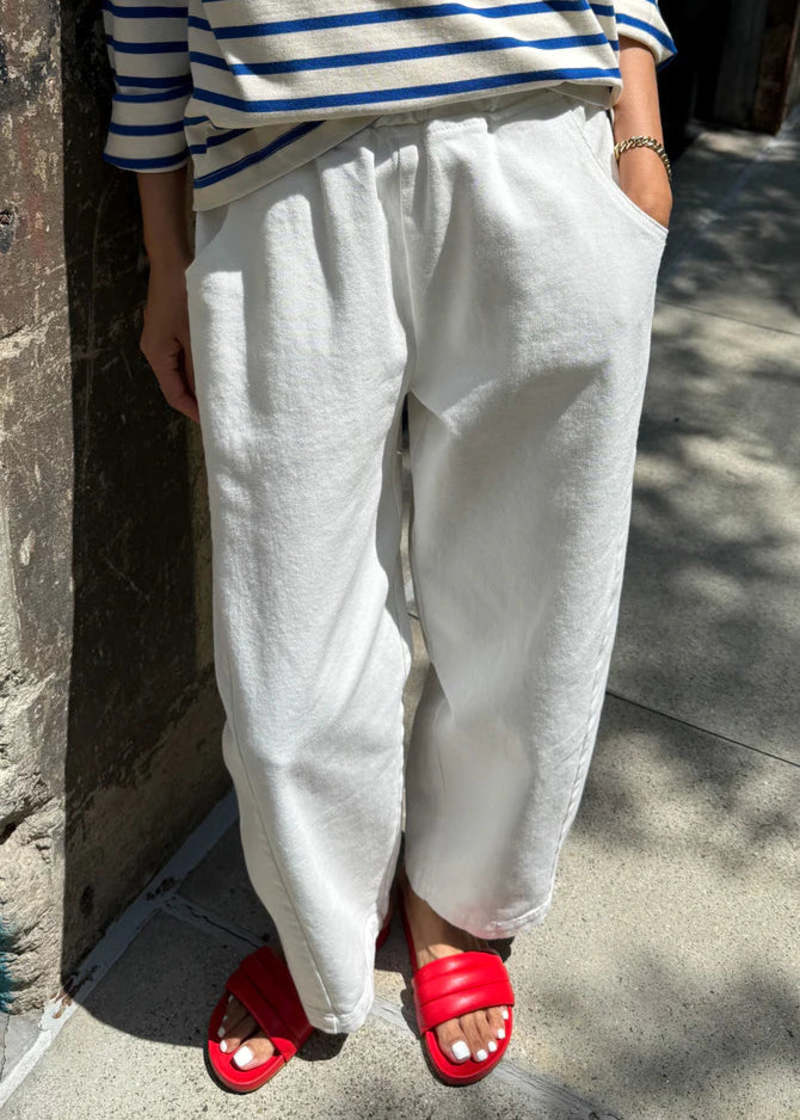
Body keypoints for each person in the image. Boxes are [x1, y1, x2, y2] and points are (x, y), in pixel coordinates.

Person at [103, 0, 678, 1090]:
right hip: (279, 168)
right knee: (286, 643)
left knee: (535, 606)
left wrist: (637, 131)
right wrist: (163, 249)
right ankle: (323, 923)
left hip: (539, 128)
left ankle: (457, 899)